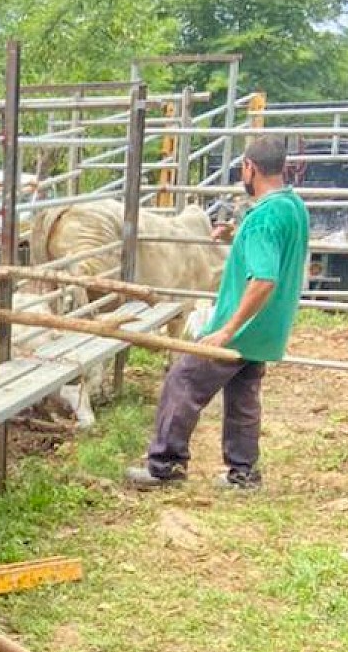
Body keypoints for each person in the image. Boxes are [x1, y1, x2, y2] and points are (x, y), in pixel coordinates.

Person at [126, 136, 309, 490]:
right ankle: (243, 473)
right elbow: (274, 248)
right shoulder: (292, 206)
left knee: (183, 380)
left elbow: (264, 280)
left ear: (249, 168)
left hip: (240, 328)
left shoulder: (263, 218)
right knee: (243, 396)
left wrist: (226, 330)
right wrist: (236, 237)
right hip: (268, 328)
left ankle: (165, 467)